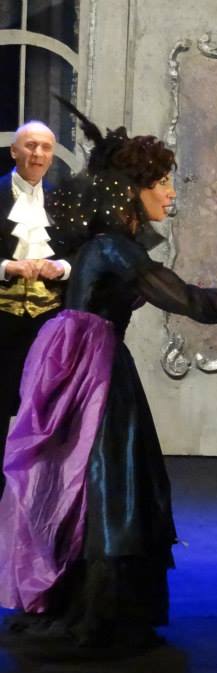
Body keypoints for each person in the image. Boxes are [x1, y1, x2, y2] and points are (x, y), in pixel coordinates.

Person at [0, 108, 217, 648]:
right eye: (160, 182)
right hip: (95, 373)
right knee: (108, 481)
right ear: (132, 190)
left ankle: (94, 604)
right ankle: (97, 612)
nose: (170, 192)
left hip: (84, 364)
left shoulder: (106, 244)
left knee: (100, 479)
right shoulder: (114, 246)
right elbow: (184, 300)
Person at [0, 122, 79, 494]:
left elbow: (82, 254)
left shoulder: (62, 200)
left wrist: (60, 267)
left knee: (45, 411)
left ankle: (40, 495)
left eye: (46, 147)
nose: (38, 154)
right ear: (14, 151)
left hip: (47, 325)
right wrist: (7, 267)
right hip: (2, 322)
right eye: (30, 146)